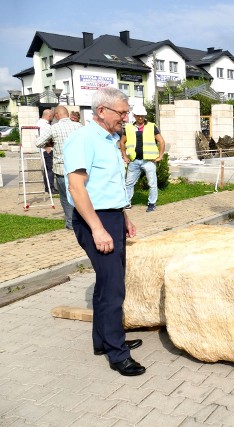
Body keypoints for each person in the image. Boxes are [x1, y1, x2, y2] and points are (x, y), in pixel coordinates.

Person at [63, 87, 145, 377]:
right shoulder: (83, 139)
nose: (126, 117)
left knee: (107, 283)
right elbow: (76, 188)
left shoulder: (109, 138)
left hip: (110, 217)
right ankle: (117, 352)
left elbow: (107, 184)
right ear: (101, 111)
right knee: (113, 289)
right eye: (122, 112)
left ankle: (104, 339)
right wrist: (98, 229)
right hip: (93, 220)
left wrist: (123, 216)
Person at [36, 106, 82, 229]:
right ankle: (82, 221)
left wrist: (51, 142)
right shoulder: (79, 126)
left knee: (65, 197)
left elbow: (38, 142)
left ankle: (71, 223)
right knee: (80, 194)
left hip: (62, 168)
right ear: (67, 114)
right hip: (78, 167)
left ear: (56, 115)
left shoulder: (54, 128)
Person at [119, 104, 166, 212]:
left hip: (148, 161)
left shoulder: (151, 126)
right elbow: (122, 142)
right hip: (134, 161)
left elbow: (162, 141)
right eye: (138, 116)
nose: (140, 118)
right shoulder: (129, 127)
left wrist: (160, 156)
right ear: (134, 116)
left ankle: (152, 203)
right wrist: (125, 156)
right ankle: (127, 203)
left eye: (142, 116)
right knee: (129, 183)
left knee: (152, 183)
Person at [36, 109, 55, 193]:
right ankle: (50, 188)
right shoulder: (44, 125)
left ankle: (48, 188)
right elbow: (45, 137)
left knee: (47, 169)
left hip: (44, 149)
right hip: (47, 149)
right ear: (49, 115)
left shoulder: (39, 123)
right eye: (52, 116)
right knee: (50, 169)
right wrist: (48, 148)